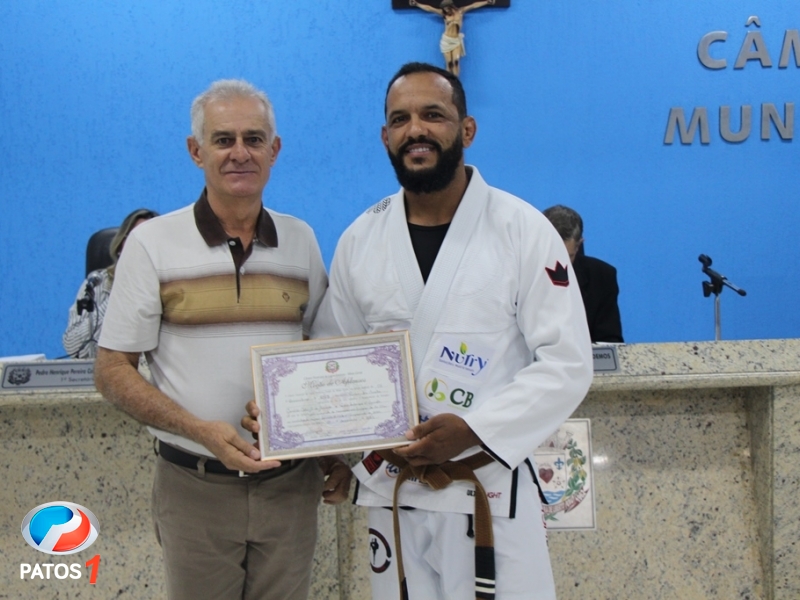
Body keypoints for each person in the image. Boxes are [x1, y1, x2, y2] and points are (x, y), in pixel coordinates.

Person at [246, 62, 592, 600]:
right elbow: (334, 355)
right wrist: (297, 422)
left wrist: (474, 429)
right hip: (393, 490)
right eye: (400, 119)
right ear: (385, 136)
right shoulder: (362, 238)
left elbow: (567, 363)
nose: (416, 130)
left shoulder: (523, 230)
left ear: (467, 129)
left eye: (433, 115)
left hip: (486, 486)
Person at [93, 79, 351, 600]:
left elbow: (320, 356)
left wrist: (331, 451)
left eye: (254, 139)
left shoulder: (300, 240)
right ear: (196, 151)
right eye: (223, 139)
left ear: (274, 150)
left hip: (290, 488)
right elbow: (112, 369)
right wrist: (200, 430)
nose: (240, 152)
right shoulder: (151, 244)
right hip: (196, 486)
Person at [62, 208, 159, 358]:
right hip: (108, 367)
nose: (143, 246)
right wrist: (121, 291)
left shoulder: (172, 285)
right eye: (136, 238)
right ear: (120, 245)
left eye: (151, 239)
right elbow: (74, 347)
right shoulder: (97, 283)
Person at [542, 205, 624, 344]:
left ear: (579, 245)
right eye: (553, 254)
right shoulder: (516, 274)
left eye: (567, 256)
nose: (558, 264)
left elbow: (609, 340)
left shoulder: (602, 277)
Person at [409, 0, 495, 76]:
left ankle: (456, 79)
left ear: (451, 6)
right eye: (444, 9)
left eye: (447, 8)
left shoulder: (460, 12)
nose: (446, 10)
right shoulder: (444, 15)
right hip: (447, 40)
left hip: (456, 40)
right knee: (449, 63)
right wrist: (417, 4)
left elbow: (473, 5)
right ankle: (449, 80)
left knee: (456, 61)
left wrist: (487, 2)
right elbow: (429, 8)